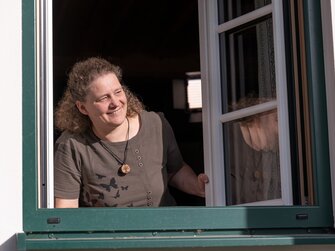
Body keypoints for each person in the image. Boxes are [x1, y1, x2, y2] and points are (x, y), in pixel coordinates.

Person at [54, 57, 209, 208]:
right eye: (103, 98)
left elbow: (175, 170)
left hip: (164, 229)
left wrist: (198, 187)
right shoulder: (71, 145)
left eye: (118, 92)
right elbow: (66, 208)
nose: (115, 103)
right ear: (82, 108)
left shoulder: (156, 124)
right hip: (109, 234)